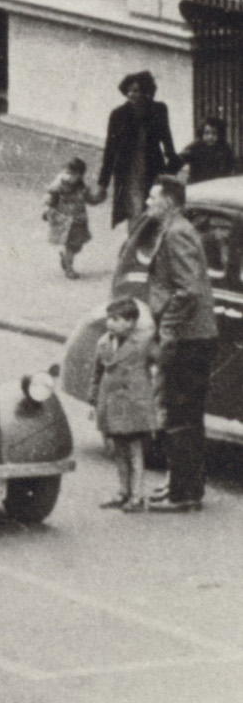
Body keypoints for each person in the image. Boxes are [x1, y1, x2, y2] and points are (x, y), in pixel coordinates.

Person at [139, 175, 217, 512]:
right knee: (179, 413)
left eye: (153, 198)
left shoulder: (177, 233)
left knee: (182, 416)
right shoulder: (175, 229)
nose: (147, 203)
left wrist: (168, 328)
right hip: (191, 336)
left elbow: (188, 289)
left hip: (189, 338)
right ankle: (179, 482)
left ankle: (184, 494)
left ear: (168, 202)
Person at [90, 296, 160, 511]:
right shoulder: (103, 342)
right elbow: (97, 373)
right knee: (118, 450)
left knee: (134, 450)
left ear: (130, 322)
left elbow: (160, 362)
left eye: (116, 319)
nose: (110, 323)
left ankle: (137, 496)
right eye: (109, 318)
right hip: (112, 404)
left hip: (134, 405)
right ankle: (123, 492)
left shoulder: (143, 342)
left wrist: (154, 391)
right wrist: (92, 400)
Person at [95, 72, 180, 231]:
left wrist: (171, 167)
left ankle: (145, 249)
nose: (131, 94)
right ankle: (133, 250)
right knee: (134, 211)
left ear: (146, 91)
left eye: (136, 90)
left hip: (152, 169)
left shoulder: (158, 110)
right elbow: (110, 150)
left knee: (153, 211)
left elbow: (167, 139)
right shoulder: (118, 115)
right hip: (128, 173)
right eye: (129, 90)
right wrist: (103, 183)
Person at [43, 156, 93, 279]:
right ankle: (69, 268)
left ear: (80, 175)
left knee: (77, 245)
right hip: (66, 220)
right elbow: (51, 199)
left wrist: (98, 197)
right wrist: (47, 209)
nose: (69, 176)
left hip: (80, 220)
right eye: (67, 172)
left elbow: (90, 198)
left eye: (73, 174)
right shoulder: (60, 185)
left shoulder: (83, 188)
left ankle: (66, 258)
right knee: (71, 245)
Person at [180, 118, 237, 186]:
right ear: (201, 134)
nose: (210, 137)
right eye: (206, 133)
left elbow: (231, 167)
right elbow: (180, 160)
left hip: (218, 186)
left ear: (220, 135)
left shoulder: (225, 149)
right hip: (197, 185)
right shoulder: (195, 148)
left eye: (214, 133)